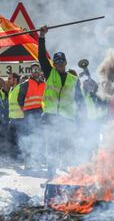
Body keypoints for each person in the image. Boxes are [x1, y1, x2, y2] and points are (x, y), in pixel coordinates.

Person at [38, 26, 86, 178]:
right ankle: (51, 176)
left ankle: (68, 178)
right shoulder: (49, 72)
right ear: (53, 63)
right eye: (56, 61)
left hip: (67, 118)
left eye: (61, 61)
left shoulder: (73, 79)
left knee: (67, 147)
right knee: (52, 147)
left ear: (65, 63)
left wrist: (83, 118)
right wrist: (41, 36)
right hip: (51, 116)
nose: (58, 64)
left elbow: (80, 100)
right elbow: (41, 57)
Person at [7, 72, 23, 158]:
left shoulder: (20, 88)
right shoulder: (11, 89)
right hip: (12, 119)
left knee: (19, 140)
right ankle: (14, 158)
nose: (8, 80)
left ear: (15, 80)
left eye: (10, 78)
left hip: (20, 119)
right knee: (12, 140)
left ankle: (20, 158)